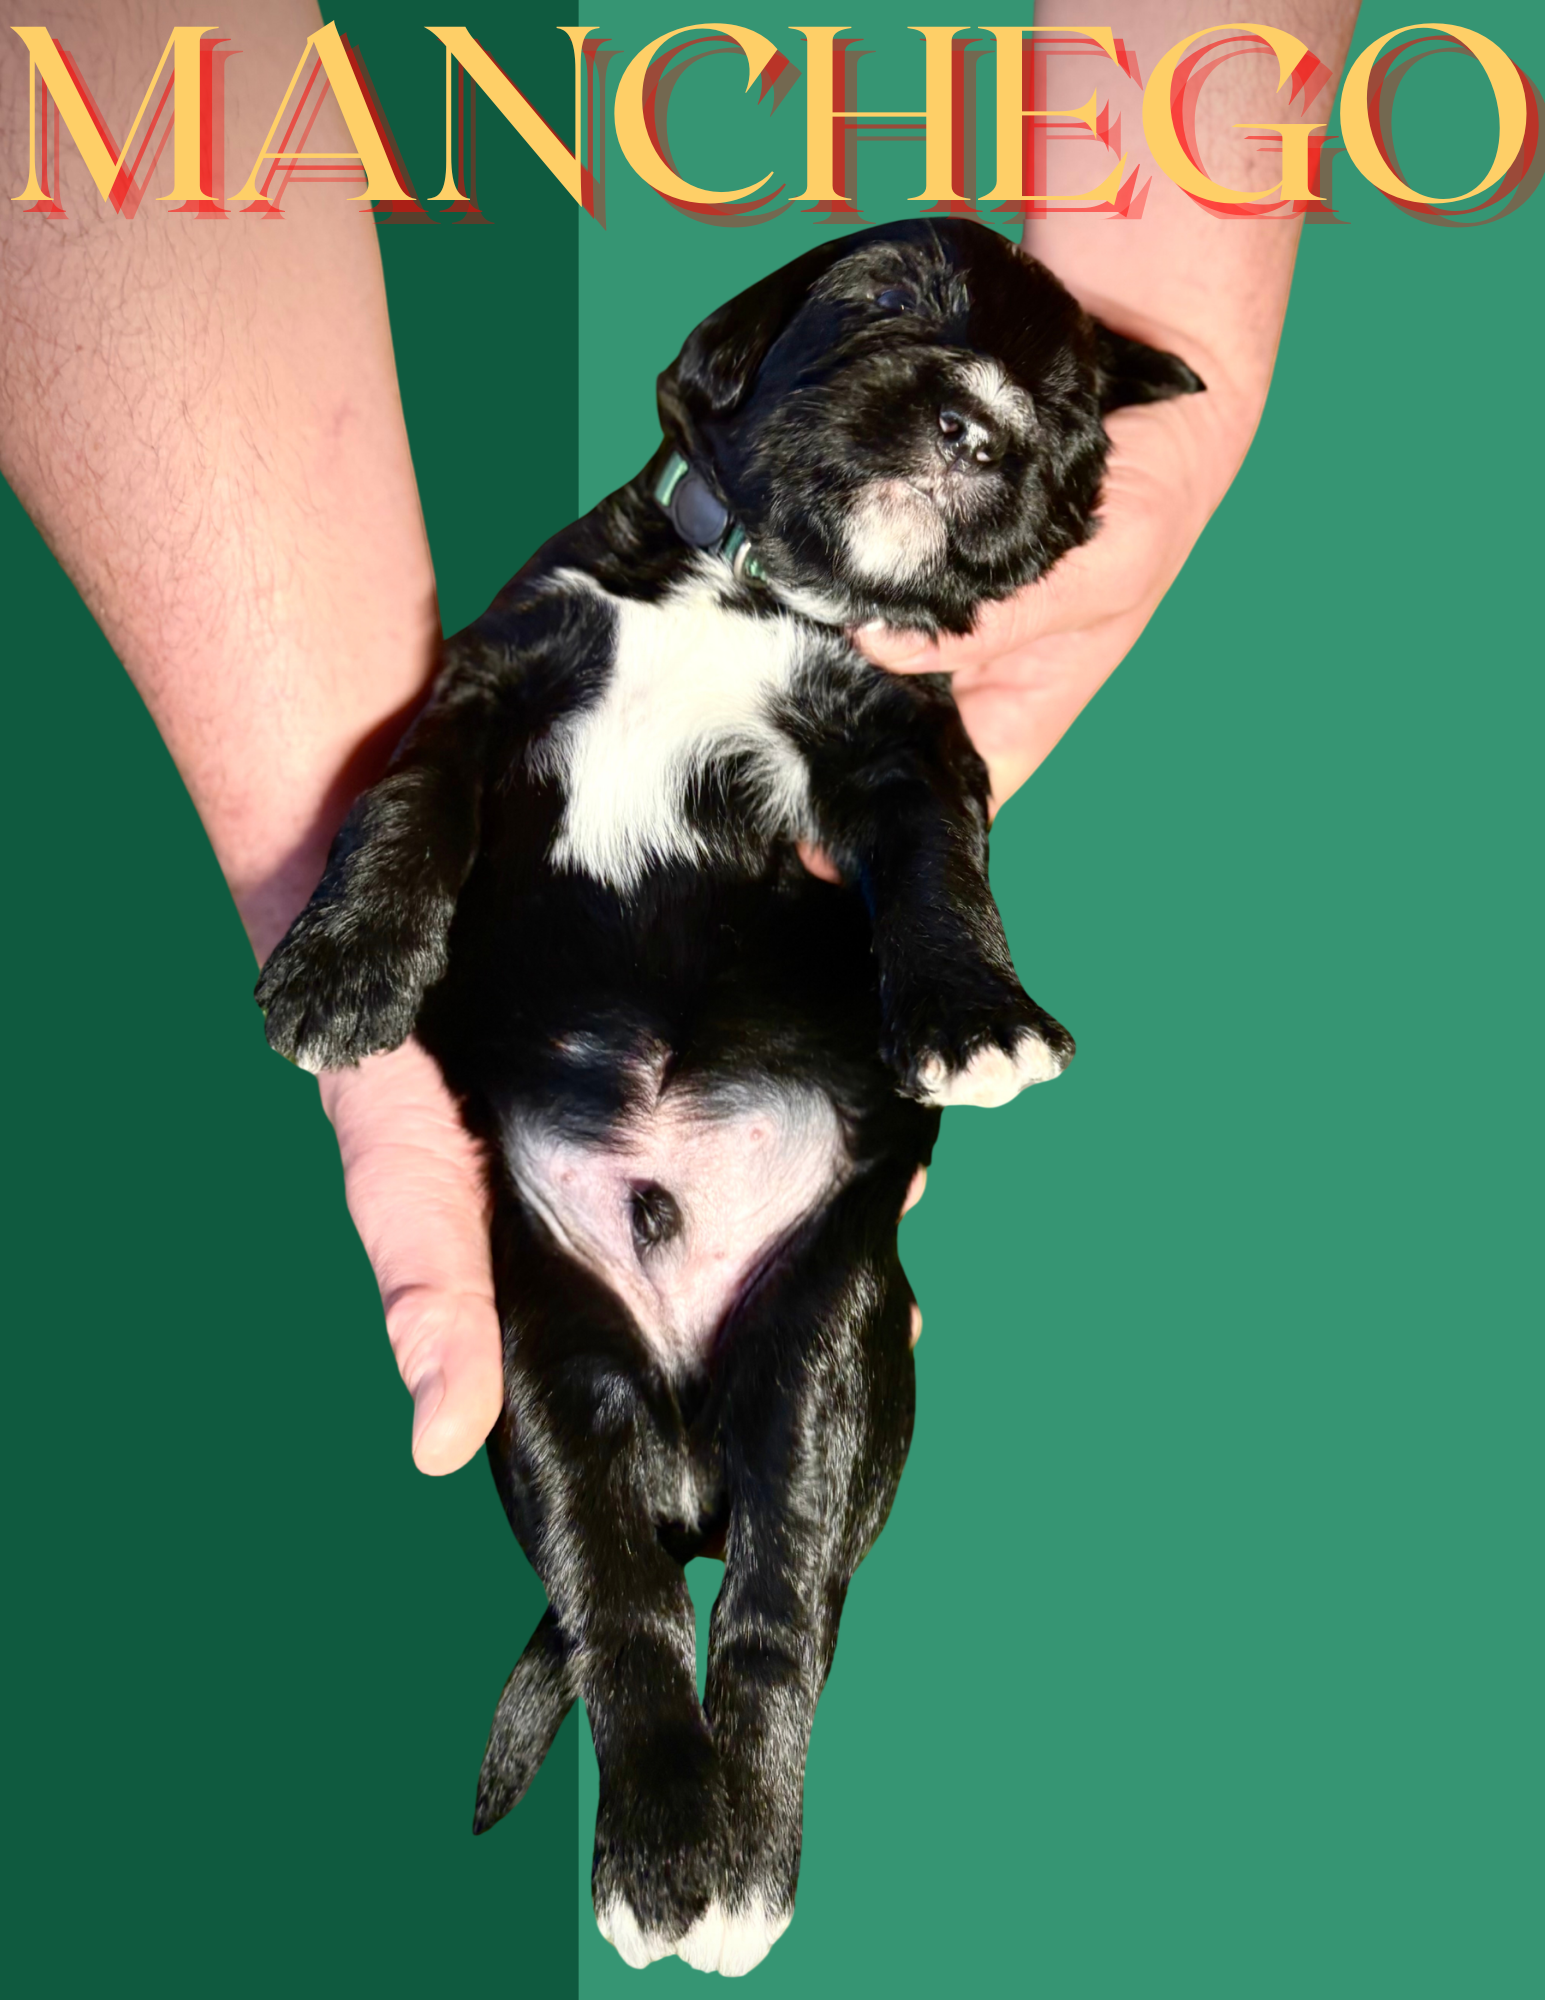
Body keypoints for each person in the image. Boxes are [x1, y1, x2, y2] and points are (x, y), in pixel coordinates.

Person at [0, 1, 1361, 1475]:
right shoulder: (604, 575)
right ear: (730, 366)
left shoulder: (892, 663)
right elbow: (100, 82)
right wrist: (344, 859)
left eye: (1052, 432)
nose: (977, 428)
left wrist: (1175, 316)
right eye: (886, 332)